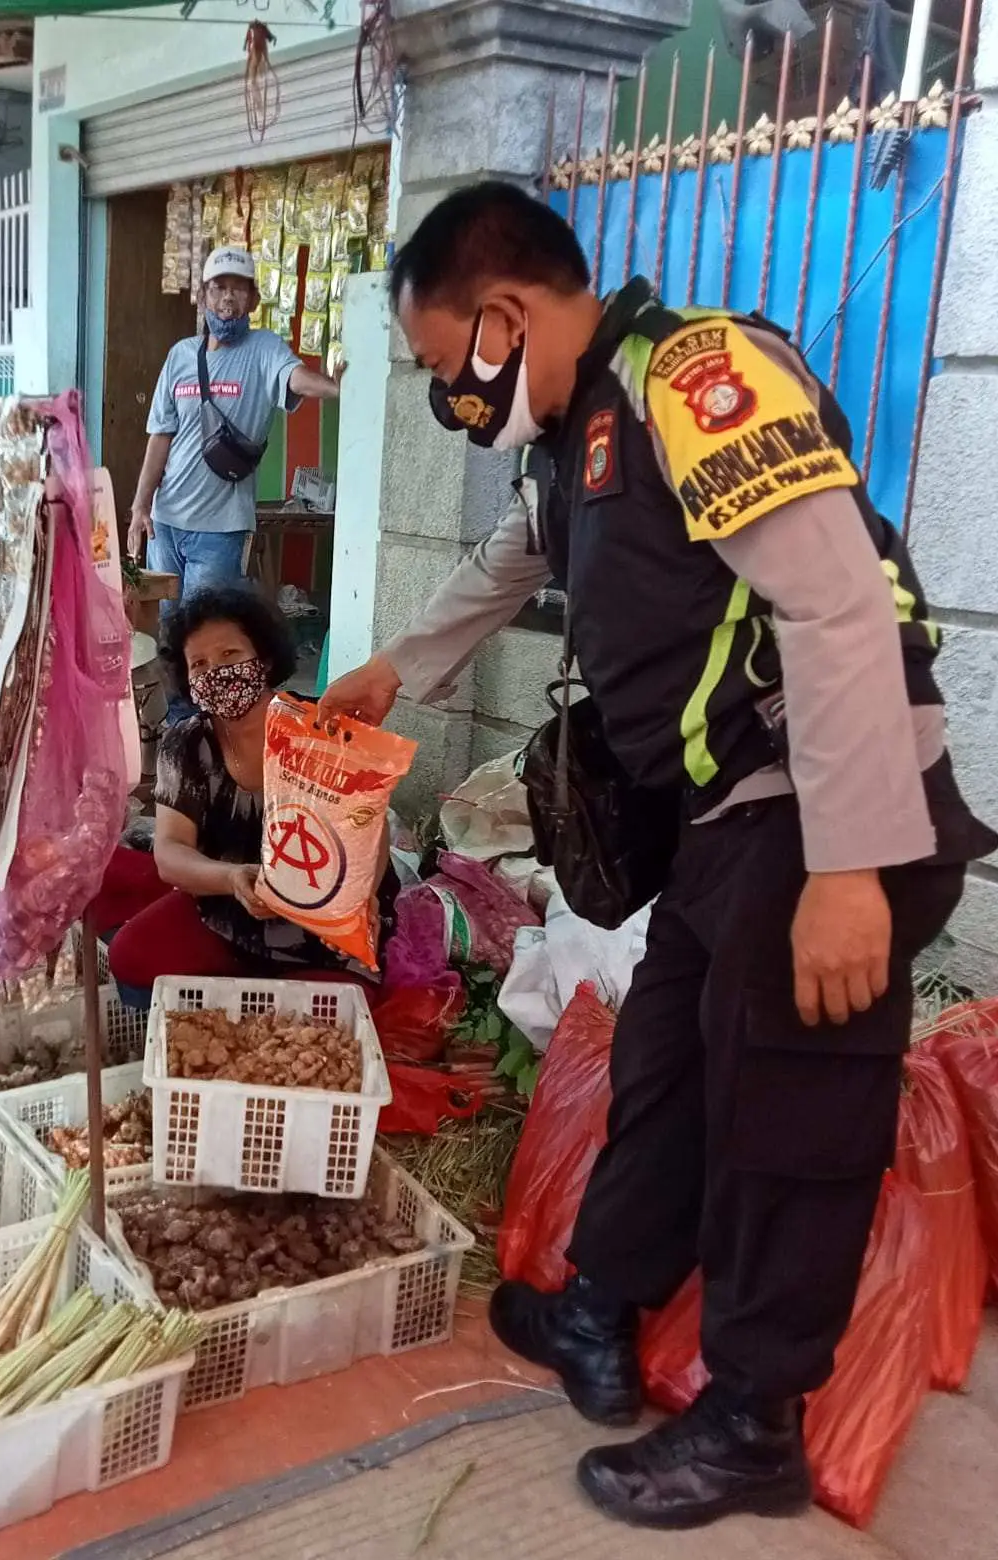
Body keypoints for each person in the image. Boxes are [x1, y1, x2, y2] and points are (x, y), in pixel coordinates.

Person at [321, 181, 996, 1529]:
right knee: (667, 1072)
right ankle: (599, 1313)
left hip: (823, 811)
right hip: (727, 829)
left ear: (504, 317)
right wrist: (399, 667)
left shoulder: (696, 377)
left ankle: (754, 1421)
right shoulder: (573, 433)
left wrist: (853, 868)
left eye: (442, 363)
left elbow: (840, 605)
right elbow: (512, 565)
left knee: (785, 1125)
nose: (448, 394)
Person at [100, 585, 394, 997]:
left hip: (324, 919)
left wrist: (355, 900)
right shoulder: (186, 743)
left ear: (265, 658)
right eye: (198, 664)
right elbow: (170, 852)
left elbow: (371, 833)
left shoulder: (321, 729)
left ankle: (259, 987)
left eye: (230, 655)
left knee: (324, 1013)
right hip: (230, 904)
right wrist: (232, 878)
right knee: (132, 955)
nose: (215, 673)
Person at [127, 247, 341, 717]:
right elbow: (160, 436)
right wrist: (141, 506)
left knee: (210, 638)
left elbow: (298, 378)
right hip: (166, 524)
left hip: (220, 531)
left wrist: (337, 387)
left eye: (239, 289)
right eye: (219, 288)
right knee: (171, 636)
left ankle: (208, 729)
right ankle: (182, 732)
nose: (228, 299)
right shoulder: (180, 356)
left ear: (253, 299)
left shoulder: (263, 350)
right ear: (202, 296)